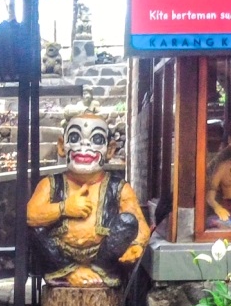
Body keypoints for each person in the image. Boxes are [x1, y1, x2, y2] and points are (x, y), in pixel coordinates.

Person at [26, 112, 150, 287]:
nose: (84, 144)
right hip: (60, 255)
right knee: (35, 229)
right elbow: (30, 215)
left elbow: (140, 225)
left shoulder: (119, 187)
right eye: (75, 137)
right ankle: (70, 271)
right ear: (62, 146)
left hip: (103, 257)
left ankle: (98, 270)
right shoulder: (50, 184)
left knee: (128, 222)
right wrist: (64, 208)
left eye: (97, 139)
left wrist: (136, 245)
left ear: (110, 150)